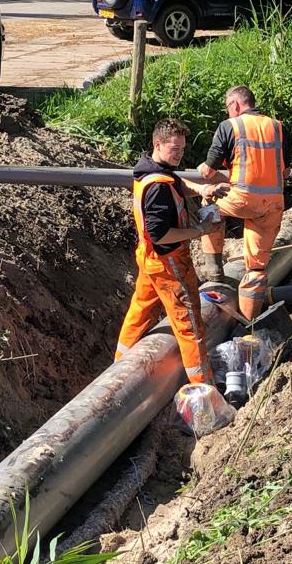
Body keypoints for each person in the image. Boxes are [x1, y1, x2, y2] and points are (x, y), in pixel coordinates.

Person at [116, 118, 229, 385]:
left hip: (150, 260)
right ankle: (204, 390)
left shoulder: (151, 169)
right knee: (190, 327)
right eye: (174, 149)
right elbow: (161, 234)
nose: (179, 155)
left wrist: (203, 188)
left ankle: (117, 371)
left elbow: (177, 183)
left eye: (182, 149)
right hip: (169, 264)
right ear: (158, 144)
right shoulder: (157, 188)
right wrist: (201, 231)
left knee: (140, 312)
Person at [197, 86, 291, 321]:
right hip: (273, 203)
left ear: (235, 105)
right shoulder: (278, 128)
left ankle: (215, 272)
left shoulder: (230, 126)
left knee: (209, 201)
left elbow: (209, 171)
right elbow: (286, 172)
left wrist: (203, 170)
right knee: (257, 268)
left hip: (240, 199)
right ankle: (248, 324)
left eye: (228, 108)